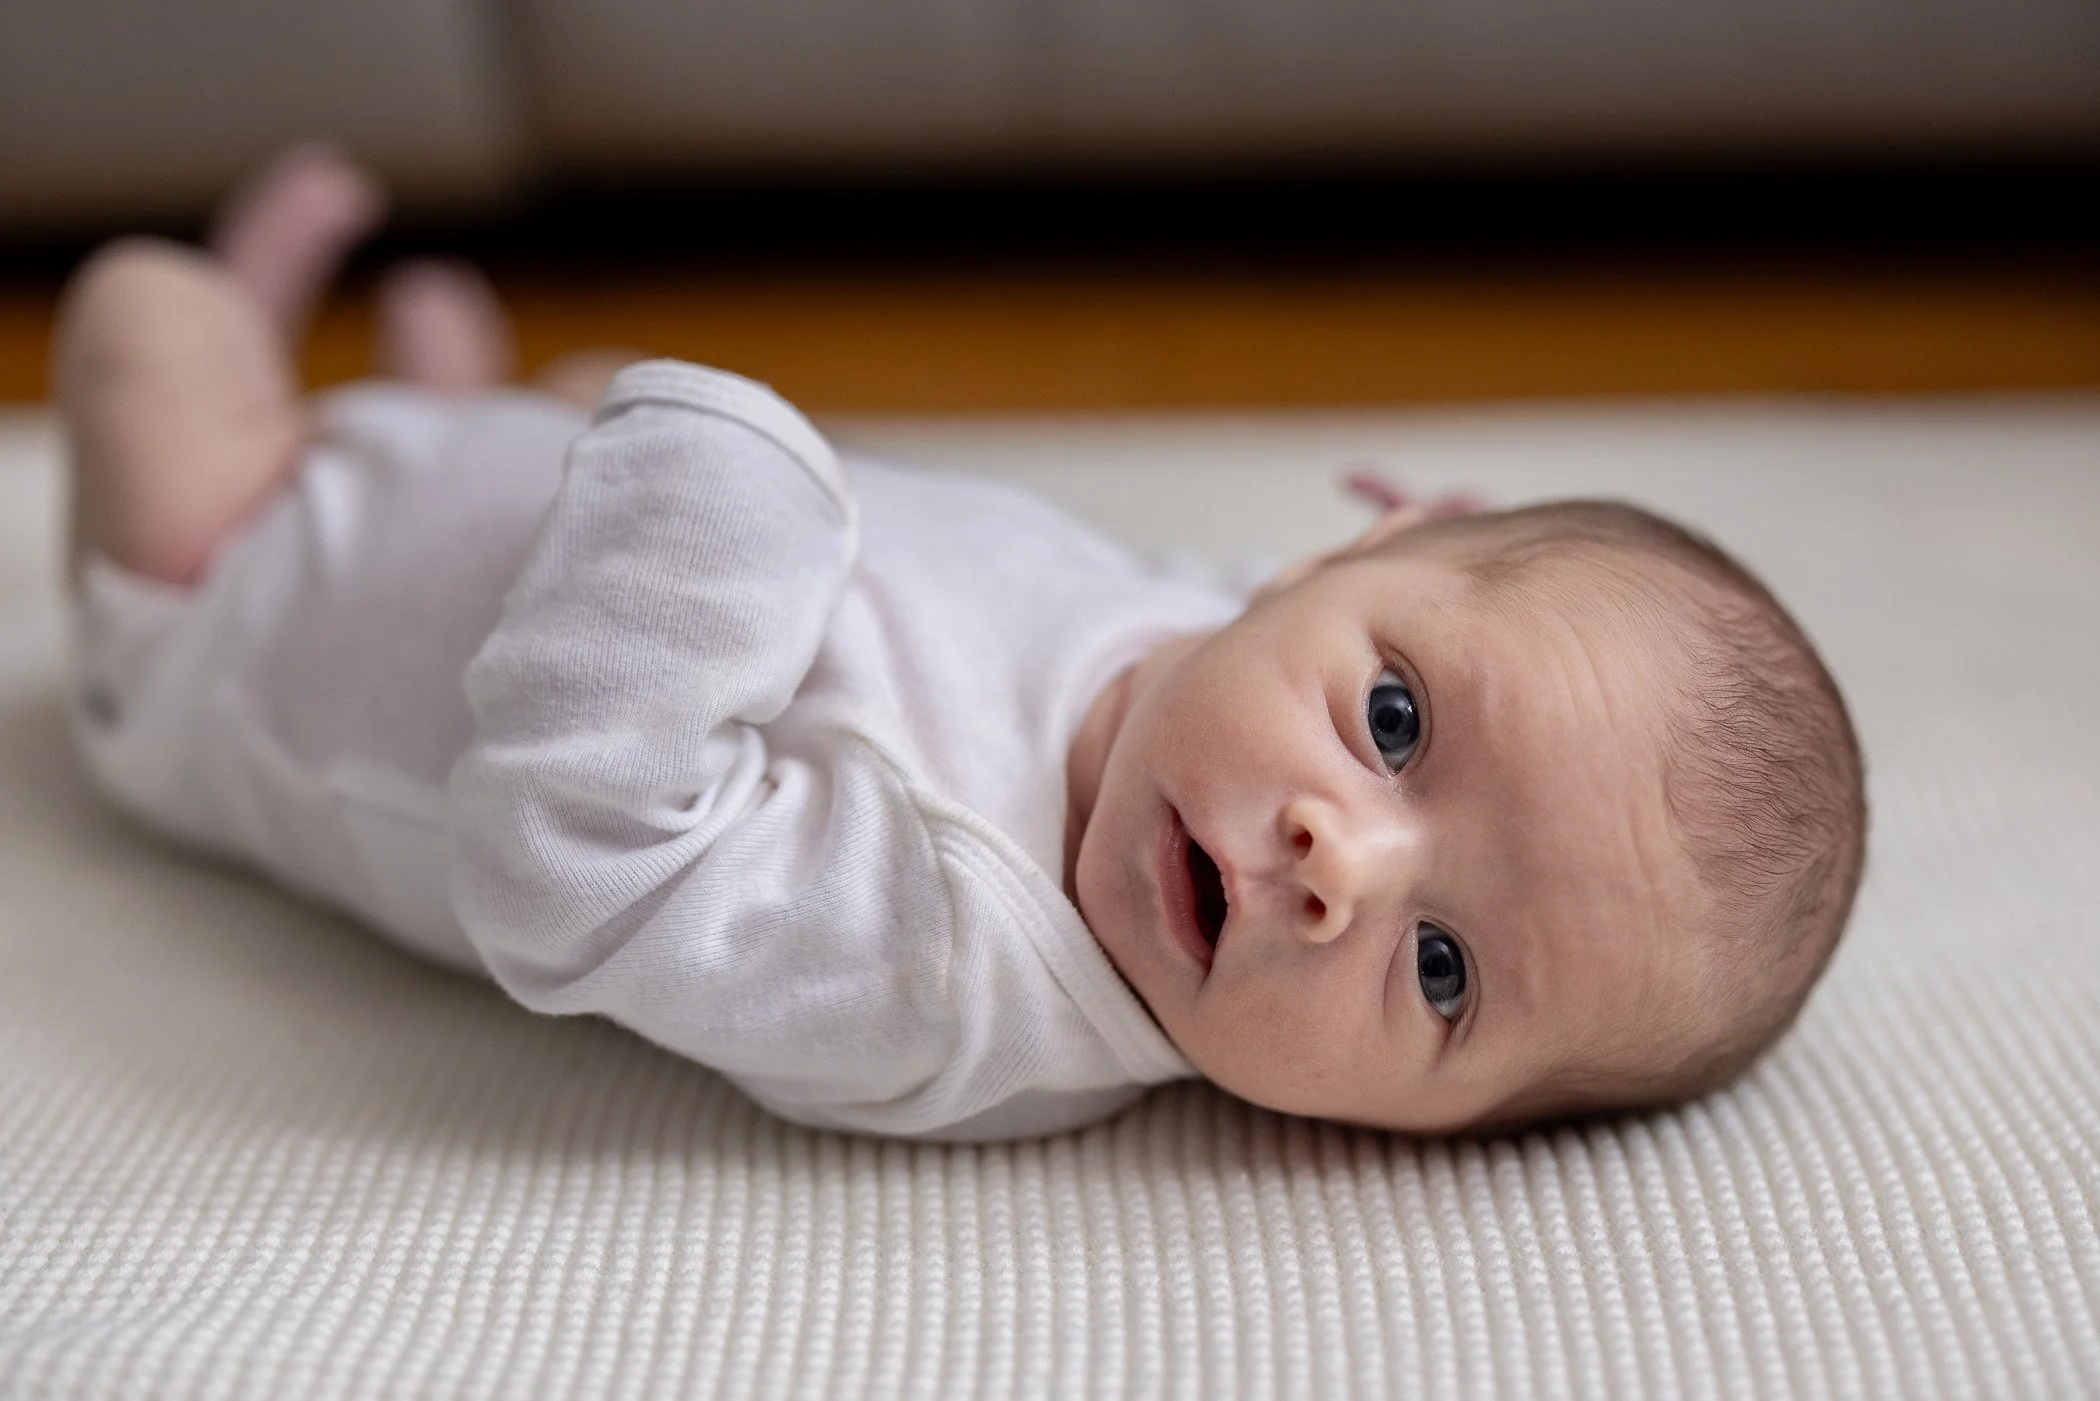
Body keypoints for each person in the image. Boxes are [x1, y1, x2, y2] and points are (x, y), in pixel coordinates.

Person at [52, 147, 1867, 1140]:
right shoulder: (1226, 654)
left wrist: (712, 514)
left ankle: (247, 322)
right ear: (1356, 550)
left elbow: (570, 872)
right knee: (545, 424)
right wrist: (1464, 553)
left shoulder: (947, 965)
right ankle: (455, 389)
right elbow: (1296, 602)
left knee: (142, 321)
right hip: (510, 505)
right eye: (1397, 721)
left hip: (250, 605)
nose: (1342, 862)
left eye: (1448, 972)